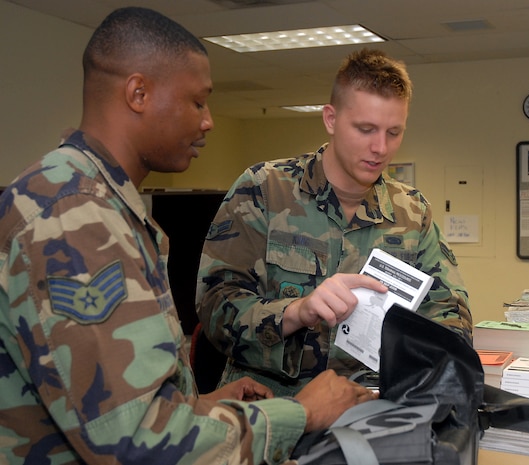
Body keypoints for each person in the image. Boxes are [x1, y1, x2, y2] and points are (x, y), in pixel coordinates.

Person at [0, 7, 375, 465]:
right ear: (138, 93)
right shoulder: (74, 217)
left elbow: (119, 404)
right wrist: (301, 412)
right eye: (197, 102)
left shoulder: (100, 204)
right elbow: (130, 445)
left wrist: (202, 404)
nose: (208, 121)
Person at [196, 48, 473, 397]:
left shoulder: (412, 213)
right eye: (366, 129)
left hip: (366, 413)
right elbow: (215, 309)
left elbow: (450, 315)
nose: (380, 148)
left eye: (394, 132)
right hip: (269, 413)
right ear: (330, 119)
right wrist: (297, 311)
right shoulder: (264, 190)